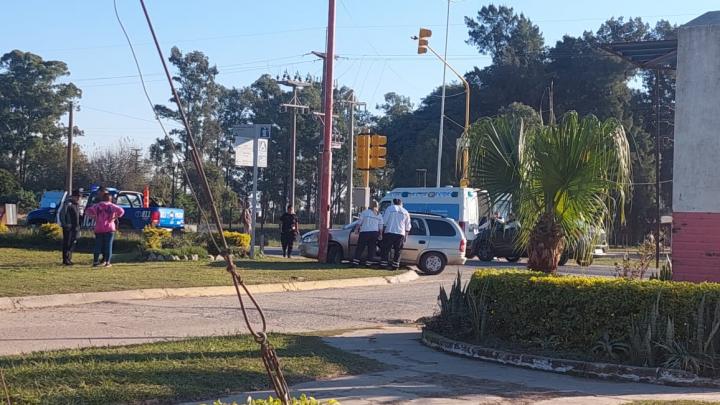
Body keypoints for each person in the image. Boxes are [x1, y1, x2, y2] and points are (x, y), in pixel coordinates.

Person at [85, 193, 124, 267]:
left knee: (97, 245)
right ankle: (107, 262)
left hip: (99, 227)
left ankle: (95, 261)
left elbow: (87, 211)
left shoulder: (96, 206)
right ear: (110, 199)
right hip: (109, 227)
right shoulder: (112, 206)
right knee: (108, 245)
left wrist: (94, 217)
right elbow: (121, 211)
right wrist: (115, 217)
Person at [380, 198, 411, 270]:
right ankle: (396, 266)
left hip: (390, 232)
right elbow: (408, 226)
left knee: (386, 249)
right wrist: (406, 236)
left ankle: (384, 264)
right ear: (401, 203)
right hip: (400, 234)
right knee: (398, 250)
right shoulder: (405, 211)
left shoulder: (390, 208)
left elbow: (384, 221)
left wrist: (382, 231)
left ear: (393, 203)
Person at [352, 200, 384, 267]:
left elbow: (359, 222)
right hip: (374, 233)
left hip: (364, 232)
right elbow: (380, 226)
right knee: (371, 249)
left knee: (360, 248)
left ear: (370, 205)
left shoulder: (365, 212)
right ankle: (368, 263)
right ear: (377, 206)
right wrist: (380, 234)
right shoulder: (379, 215)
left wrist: (356, 229)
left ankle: (355, 262)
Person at [60, 190, 81, 266]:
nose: (78, 198)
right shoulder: (68, 203)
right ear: (73, 196)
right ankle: (65, 259)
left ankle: (69, 258)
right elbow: (62, 214)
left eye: (79, 197)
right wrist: (65, 224)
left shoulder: (77, 204)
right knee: (67, 243)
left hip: (75, 227)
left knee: (72, 243)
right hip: (68, 227)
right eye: (77, 196)